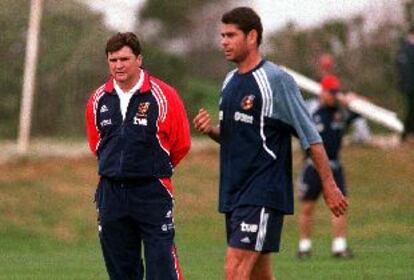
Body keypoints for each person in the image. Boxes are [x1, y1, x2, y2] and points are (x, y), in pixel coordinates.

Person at [193, 7, 348, 280]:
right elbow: (233, 137)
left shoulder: (276, 81)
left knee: (234, 270)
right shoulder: (229, 82)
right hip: (234, 191)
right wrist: (212, 131)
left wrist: (329, 183)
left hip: (262, 190)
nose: (223, 42)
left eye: (231, 35)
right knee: (259, 276)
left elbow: (311, 136)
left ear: (252, 37)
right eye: (222, 36)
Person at [85, 32, 191, 280]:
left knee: (162, 269)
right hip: (111, 195)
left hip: (152, 192)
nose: (118, 66)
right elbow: (97, 144)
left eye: (124, 59)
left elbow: (181, 144)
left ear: (139, 59)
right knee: (122, 272)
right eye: (113, 60)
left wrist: (151, 169)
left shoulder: (164, 95)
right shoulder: (98, 99)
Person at [297, 75, 358, 260]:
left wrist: (353, 101)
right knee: (307, 207)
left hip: (335, 166)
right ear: (322, 92)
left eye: (335, 92)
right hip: (312, 167)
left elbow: (365, 111)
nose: (334, 96)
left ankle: (339, 246)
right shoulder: (312, 113)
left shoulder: (341, 113)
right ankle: (304, 247)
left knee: (340, 206)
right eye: (330, 92)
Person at [317, 53, 371, 144]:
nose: (326, 69)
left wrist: (354, 98)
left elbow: (344, 96)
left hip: (338, 111)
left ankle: (362, 136)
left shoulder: (336, 80)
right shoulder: (317, 82)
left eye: (328, 66)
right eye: (325, 66)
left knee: (358, 114)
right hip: (323, 114)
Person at [396, 27, 414, 142]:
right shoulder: (406, 49)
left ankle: (408, 132)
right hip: (410, 85)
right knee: (411, 109)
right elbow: (404, 70)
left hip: (409, 84)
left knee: (412, 109)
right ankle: (405, 133)